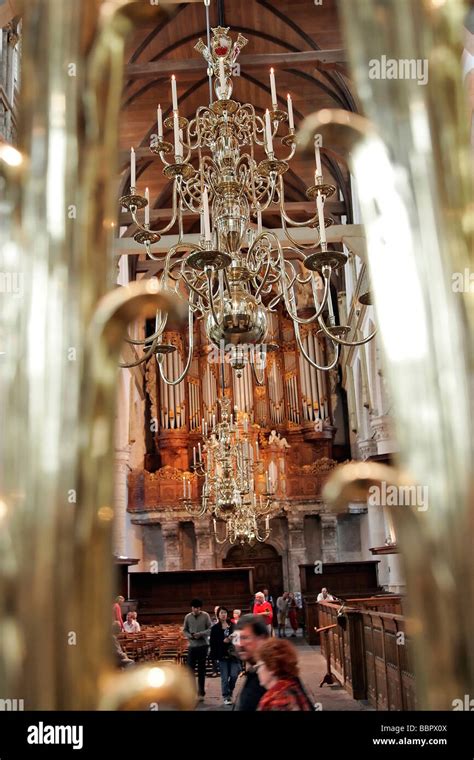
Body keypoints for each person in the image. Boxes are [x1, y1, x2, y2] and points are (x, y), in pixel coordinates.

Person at [256, 638, 314, 711]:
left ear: (271, 668)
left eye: (260, 666)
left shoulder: (277, 700)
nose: (257, 671)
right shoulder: (292, 687)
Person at [233, 615, 269, 711]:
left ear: (262, 639)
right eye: (237, 638)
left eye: (245, 638)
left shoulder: (271, 675)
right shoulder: (255, 671)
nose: (240, 644)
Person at [210, 607, 241, 706]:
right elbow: (213, 643)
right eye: (221, 613)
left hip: (233, 654)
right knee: (224, 677)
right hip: (222, 655)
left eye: (225, 613)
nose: (223, 614)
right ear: (218, 615)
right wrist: (223, 641)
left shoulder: (233, 625)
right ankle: (226, 696)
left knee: (234, 675)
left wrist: (234, 638)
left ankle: (230, 690)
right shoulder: (215, 628)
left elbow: (239, 637)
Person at [183, 598, 212, 702]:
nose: (195, 610)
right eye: (193, 608)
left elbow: (210, 629)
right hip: (192, 646)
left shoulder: (205, 616)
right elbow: (184, 630)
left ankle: (201, 693)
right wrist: (190, 636)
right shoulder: (188, 617)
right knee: (190, 670)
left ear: (200, 608)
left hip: (203, 646)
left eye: (197, 608)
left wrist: (200, 634)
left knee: (201, 670)